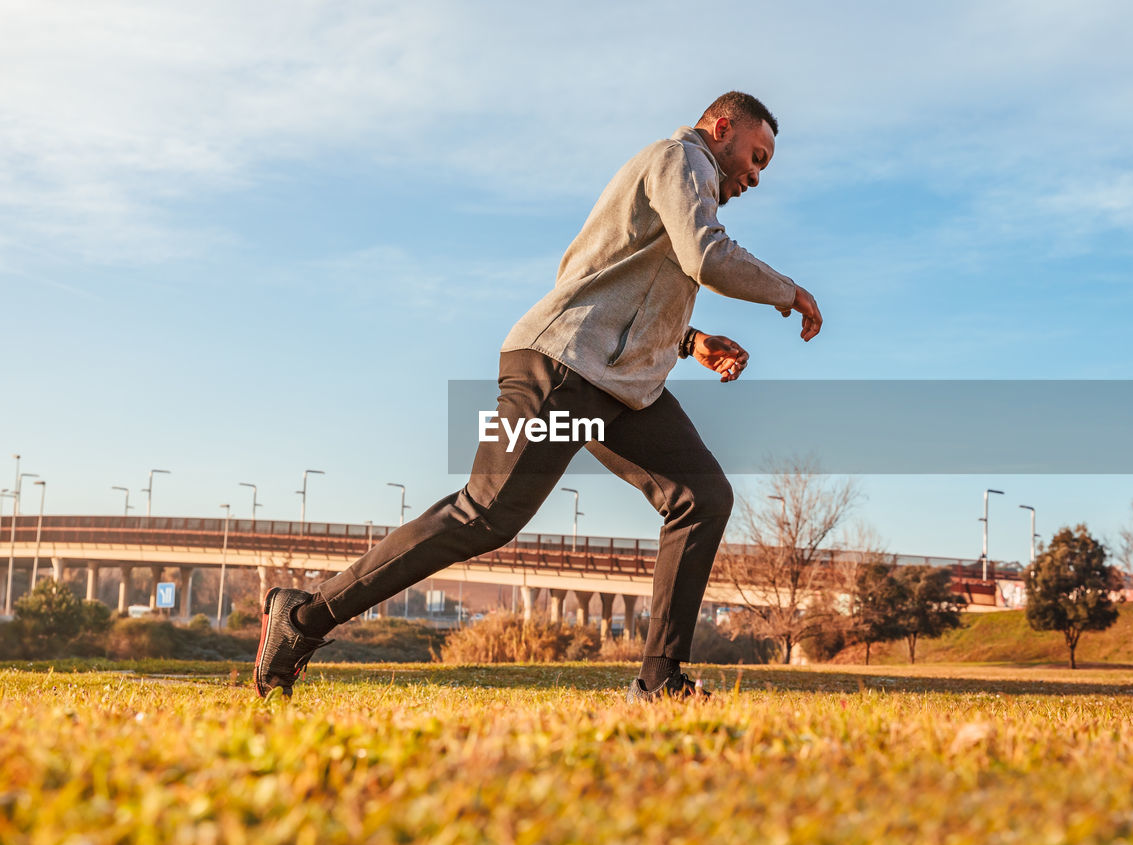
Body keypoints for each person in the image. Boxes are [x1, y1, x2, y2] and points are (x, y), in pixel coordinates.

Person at [254, 91, 822, 701]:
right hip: (557, 373)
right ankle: (304, 617)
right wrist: (787, 291)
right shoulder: (679, 158)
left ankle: (660, 681)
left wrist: (688, 340)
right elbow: (706, 256)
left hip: (617, 386)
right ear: (721, 127)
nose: (756, 176)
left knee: (701, 496)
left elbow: (611, 279)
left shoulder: (681, 181)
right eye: (756, 157)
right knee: (484, 513)